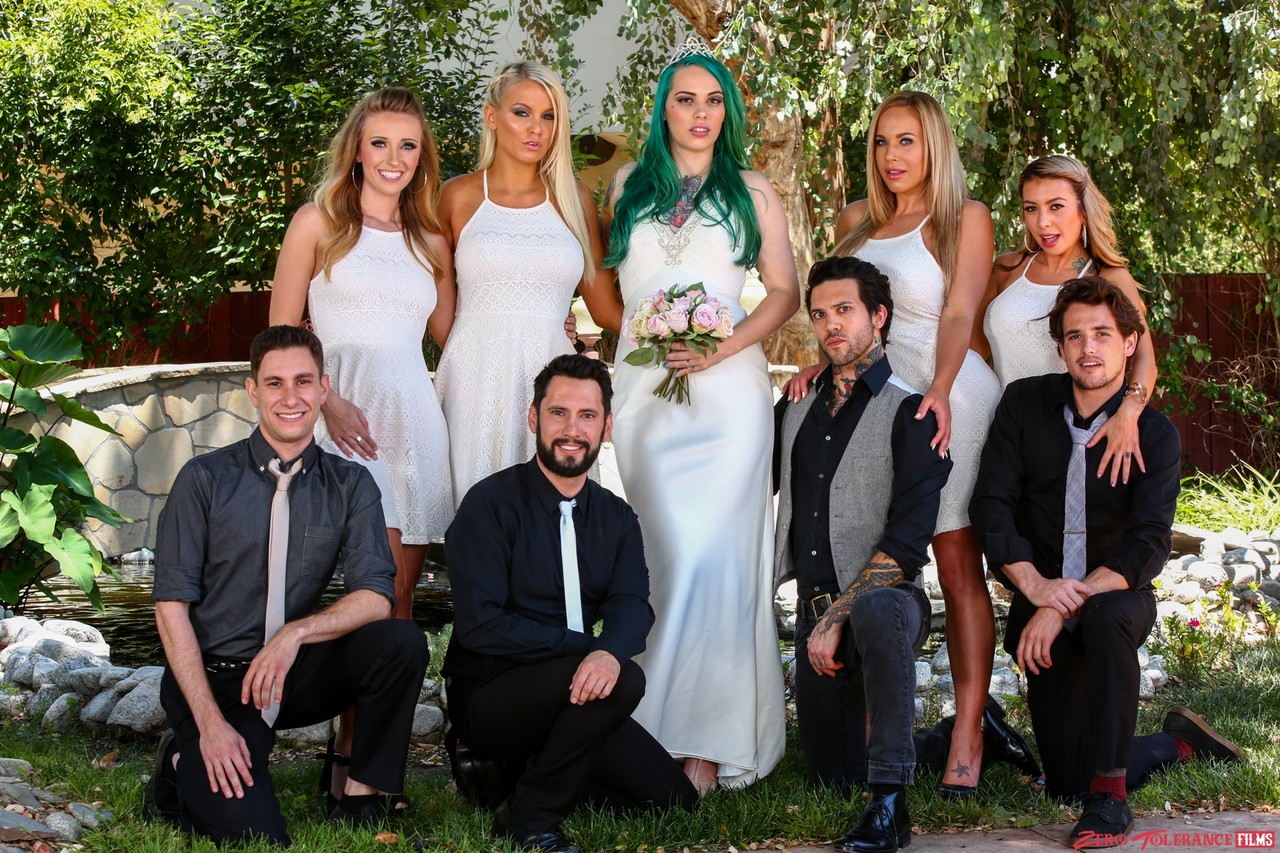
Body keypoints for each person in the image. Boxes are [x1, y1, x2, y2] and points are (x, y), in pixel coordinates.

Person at [969, 278, 1241, 847]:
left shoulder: (1156, 435)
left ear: (1129, 343)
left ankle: (1112, 798)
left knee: (1104, 615)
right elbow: (992, 507)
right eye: (1075, 336)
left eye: (1102, 334)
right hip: (1040, 590)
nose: (1088, 348)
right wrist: (1038, 591)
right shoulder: (1023, 406)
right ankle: (1178, 743)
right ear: (1060, 346)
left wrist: (1064, 602)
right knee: (1067, 782)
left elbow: (1148, 544)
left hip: (1117, 598)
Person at [146, 325, 429, 845]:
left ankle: (359, 794)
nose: (290, 398)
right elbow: (171, 608)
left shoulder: (350, 484)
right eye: (275, 383)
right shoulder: (204, 480)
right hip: (217, 680)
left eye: (303, 382)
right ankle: (179, 761)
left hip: (289, 673)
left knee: (400, 641)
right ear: (253, 391)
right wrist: (209, 723)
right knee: (257, 836)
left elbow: (376, 594)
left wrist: (293, 635)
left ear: (324, 389)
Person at [605, 43, 799, 792]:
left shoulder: (754, 191)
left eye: (713, 100)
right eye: (685, 99)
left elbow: (783, 292)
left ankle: (709, 743)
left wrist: (723, 344)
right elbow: (609, 283)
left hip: (728, 399)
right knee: (662, 554)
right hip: (644, 394)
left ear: (728, 112)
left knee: (715, 559)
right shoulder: (626, 184)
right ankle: (643, 728)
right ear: (663, 110)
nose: (700, 113)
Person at [817, 90, 1001, 797]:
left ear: (934, 147)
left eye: (907, 141)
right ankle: (879, 734)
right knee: (877, 558)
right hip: (875, 408)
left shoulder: (963, 218)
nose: (891, 156)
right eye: (881, 141)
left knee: (955, 564)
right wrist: (819, 366)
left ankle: (969, 732)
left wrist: (942, 389)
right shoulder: (855, 223)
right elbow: (839, 310)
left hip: (943, 395)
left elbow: (959, 312)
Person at [443, 354, 697, 853]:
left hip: (576, 696)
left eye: (587, 416)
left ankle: (512, 778)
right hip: (492, 693)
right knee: (624, 678)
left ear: (606, 426)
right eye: (558, 413)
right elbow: (480, 625)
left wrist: (608, 651)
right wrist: (592, 651)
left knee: (673, 801)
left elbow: (632, 605)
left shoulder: (615, 517)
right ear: (534, 417)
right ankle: (528, 818)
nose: (572, 430)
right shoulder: (489, 504)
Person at [774, 256, 951, 850]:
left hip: (888, 609)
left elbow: (906, 546)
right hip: (817, 617)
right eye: (820, 314)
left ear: (878, 315)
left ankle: (890, 805)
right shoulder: (795, 406)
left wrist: (837, 617)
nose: (831, 325)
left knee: (877, 608)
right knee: (832, 775)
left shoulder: (913, 413)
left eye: (844, 310)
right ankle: (962, 733)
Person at [270, 86, 454, 620]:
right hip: (345, 420)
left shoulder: (430, 241)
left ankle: (390, 679)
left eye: (408, 146)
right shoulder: (317, 223)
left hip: (414, 423)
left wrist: (556, 324)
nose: (394, 159)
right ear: (356, 149)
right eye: (380, 143)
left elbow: (455, 337)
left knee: (401, 591)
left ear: (421, 157)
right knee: (368, 584)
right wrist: (327, 403)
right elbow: (279, 337)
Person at [434, 61, 621, 507]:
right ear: (491, 117)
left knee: (554, 515)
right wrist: (472, 367)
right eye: (522, 112)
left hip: (555, 381)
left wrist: (672, 328)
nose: (537, 128)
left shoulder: (574, 198)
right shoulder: (456, 196)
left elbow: (604, 309)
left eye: (549, 115)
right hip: (473, 382)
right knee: (477, 514)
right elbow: (436, 306)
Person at [975, 154, 1158, 486]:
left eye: (1056, 206)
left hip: (1069, 433)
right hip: (999, 428)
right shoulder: (1007, 268)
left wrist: (1129, 412)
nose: (1043, 222)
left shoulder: (1108, 277)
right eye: (1031, 208)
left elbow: (1144, 356)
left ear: (1083, 210)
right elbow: (971, 352)